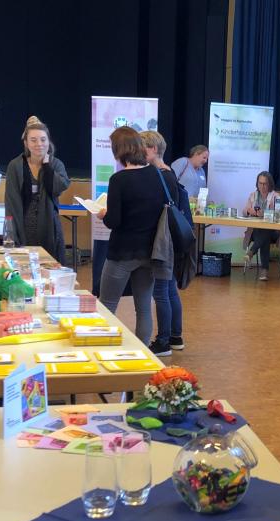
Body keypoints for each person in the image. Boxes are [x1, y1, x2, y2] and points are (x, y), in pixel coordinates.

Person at [97, 127, 178, 345]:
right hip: (149, 253)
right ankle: (142, 355)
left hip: (122, 253)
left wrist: (102, 214)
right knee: (143, 307)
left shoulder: (119, 180)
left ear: (118, 151)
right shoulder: (157, 175)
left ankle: (104, 351)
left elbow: (114, 221)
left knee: (107, 305)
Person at [141, 130, 185, 356]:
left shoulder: (158, 175)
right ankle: (176, 336)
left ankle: (164, 342)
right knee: (169, 289)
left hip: (162, 241)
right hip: (171, 238)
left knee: (160, 291)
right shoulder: (170, 173)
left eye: (143, 147)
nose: (139, 152)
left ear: (154, 149)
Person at [4, 116, 70, 263]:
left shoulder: (55, 164)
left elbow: (60, 186)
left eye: (43, 139)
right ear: (26, 143)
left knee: (50, 267)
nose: (39, 144)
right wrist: (12, 232)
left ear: (48, 142)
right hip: (23, 225)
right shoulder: (15, 165)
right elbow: (11, 200)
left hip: (49, 226)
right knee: (24, 267)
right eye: (33, 140)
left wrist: (47, 167)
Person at [242, 171, 280, 281]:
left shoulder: (276, 197)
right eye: (260, 183)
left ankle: (251, 252)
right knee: (264, 235)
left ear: (270, 184)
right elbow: (244, 211)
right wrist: (250, 211)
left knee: (266, 231)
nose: (262, 186)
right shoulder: (253, 195)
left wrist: (264, 214)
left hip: (273, 232)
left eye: (265, 184)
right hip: (255, 232)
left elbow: (279, 215)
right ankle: (264, 270)